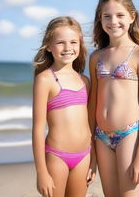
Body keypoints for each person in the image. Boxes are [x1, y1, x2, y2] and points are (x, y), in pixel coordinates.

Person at [88, 0, 139, 197]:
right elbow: (92, 104)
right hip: (101, 137)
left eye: (120, 15)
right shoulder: (96, 57)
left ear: (132, 17)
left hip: (129, 135)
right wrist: (90, 153)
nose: (113, 21)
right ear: (100, 18)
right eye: (106, 16)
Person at [32, 16, 94, 197]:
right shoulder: (45, 80)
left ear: (80, 45)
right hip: (56, 157)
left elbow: (90, 125)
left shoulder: (85, 81)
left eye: (73, 42)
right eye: (60, 42)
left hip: (84, 156)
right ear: (49, 46)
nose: (68, 48)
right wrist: (41, 172)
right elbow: (37, 130)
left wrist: (93, 161)